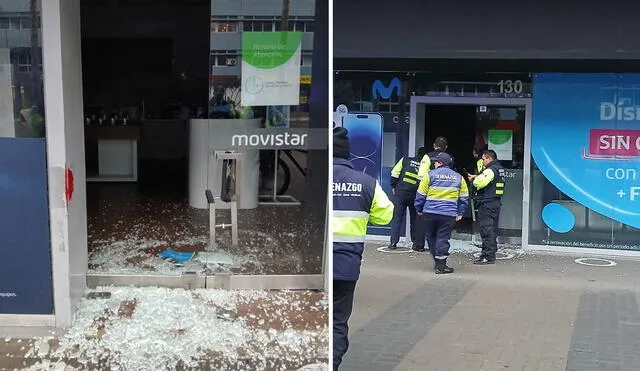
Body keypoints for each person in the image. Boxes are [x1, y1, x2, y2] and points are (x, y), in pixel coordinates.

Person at [332, 126, 394, 370]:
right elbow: (385, 216)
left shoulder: (314, 176)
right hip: (346, 265)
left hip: (316, 264)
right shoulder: (366, 182)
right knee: (337, 322)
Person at [414, 152, 469, 274]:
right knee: (443, 238)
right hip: (448, 214)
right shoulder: (459, 177)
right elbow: (464, 197)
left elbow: (420, 194)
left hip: (430, 212)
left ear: (441, 163)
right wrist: (460, 212)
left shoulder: (429, 175)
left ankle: (438, 263)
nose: (434, 163)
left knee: (431, 237)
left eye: (436, 161)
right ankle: (441, 265)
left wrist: (419, 209)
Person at [468, 149, 505, 265]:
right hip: (495, 202)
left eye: (484, 159)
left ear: (489, 158)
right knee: (492, 229)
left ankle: (487, 256)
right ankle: (492, 251)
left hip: (487, 203)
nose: (482, 161)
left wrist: (474, 179)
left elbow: (479, 183)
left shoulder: (490, 170)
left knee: (486, 230)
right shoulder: (499, 168)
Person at [387, 147, 428, 250]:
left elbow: (395, 173)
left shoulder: (405, 159)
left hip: (401, 193)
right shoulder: (426, 165)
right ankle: (416, 243)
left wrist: (393, 186)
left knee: (397, 218)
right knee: (415, 219)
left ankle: (393, 243)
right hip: (416, 195)